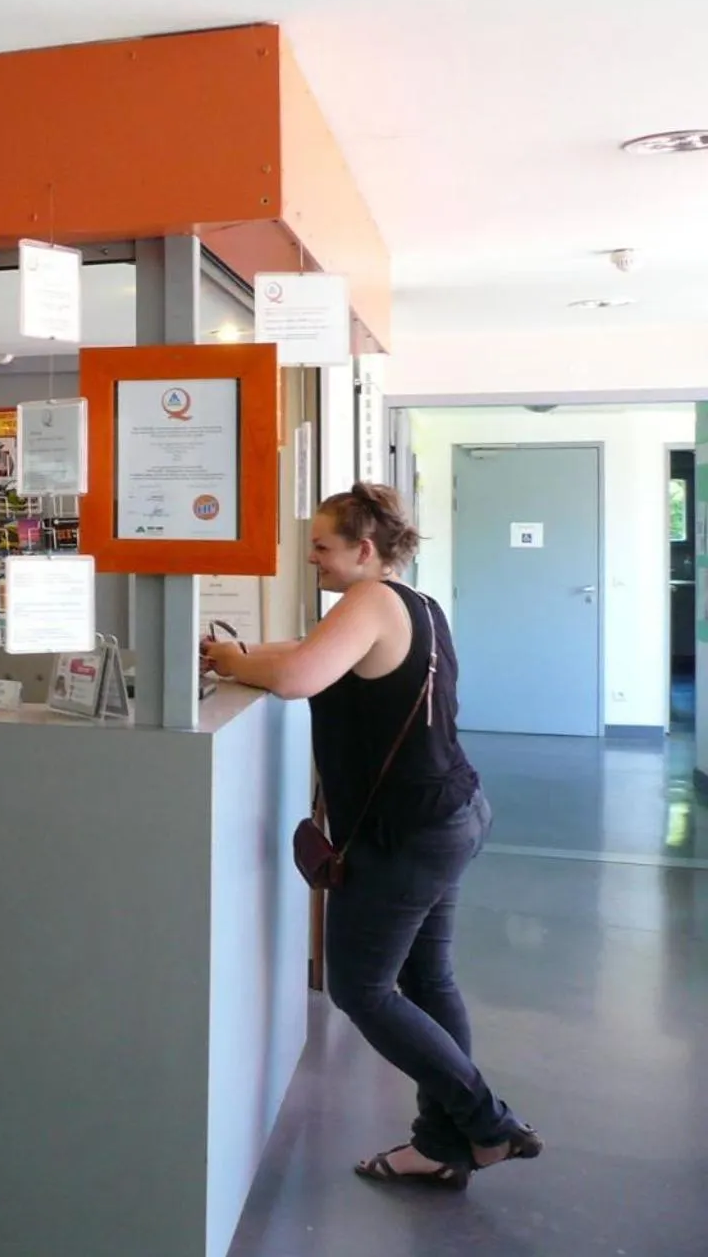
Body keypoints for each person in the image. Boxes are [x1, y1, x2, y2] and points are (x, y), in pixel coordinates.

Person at [201, 482, 542, 1191]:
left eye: (322, 548)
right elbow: (309, 651)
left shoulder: (368, 602)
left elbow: (297, 674)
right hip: (451, 812)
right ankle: (441, 1142)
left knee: (361, 986)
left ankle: (487, 1124)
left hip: (408, 831)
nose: (313, 562)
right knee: (426, 979)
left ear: (364, 549)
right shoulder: (410, 602)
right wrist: (241, 653)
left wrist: (234, 663)